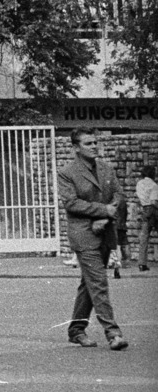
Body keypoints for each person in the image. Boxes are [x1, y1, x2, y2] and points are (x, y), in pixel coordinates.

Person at [57, 129, 128, 350]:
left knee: (88, 283)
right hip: (84, 235)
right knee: (98, 282)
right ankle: (113, 333)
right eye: (89, 143)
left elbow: (119, 195)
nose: (95, 146)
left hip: (105, 232)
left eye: (96, 142)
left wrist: (105, 217)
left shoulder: (106, 168)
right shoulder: (67, 173)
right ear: (76, 147)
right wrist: (101, 211)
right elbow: (71, 203)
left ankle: (76, 330)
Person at [133, 165, 155, 272]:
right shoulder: (154, 185)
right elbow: (154, 202)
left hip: (144, 209)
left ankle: (142, 263)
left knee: (144, 238)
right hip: (153, 211)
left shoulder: (139, 184)